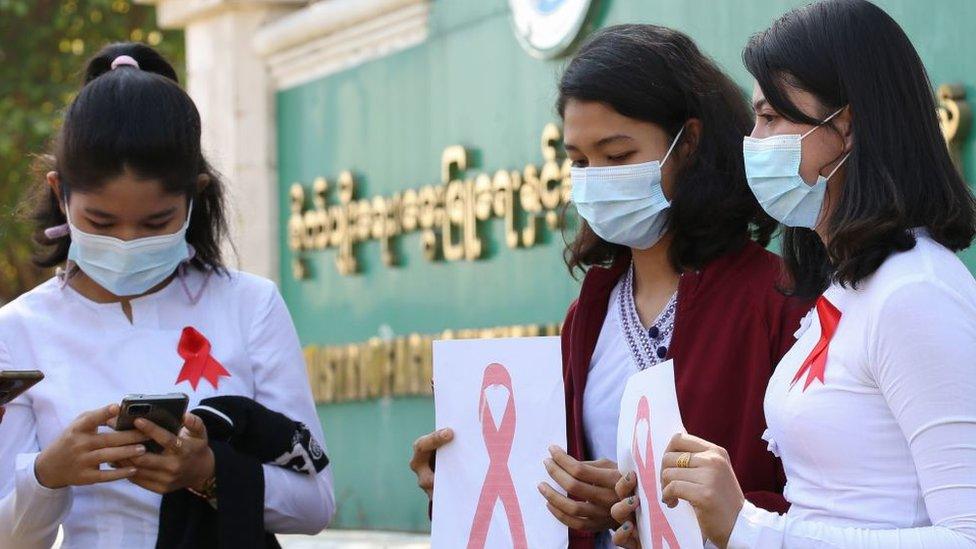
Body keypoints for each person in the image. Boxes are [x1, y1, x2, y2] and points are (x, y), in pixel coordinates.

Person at [409, 24, 810, 548]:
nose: (595, 177)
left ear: (687, 143)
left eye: (617, 156)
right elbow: (553, 501)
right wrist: (463, 479)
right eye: (578, 161)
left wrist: (644, 503)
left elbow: (823, 505)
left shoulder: (777, 299)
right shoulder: (588, 315)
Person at [611, 1, 976, 547]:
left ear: (846, 127)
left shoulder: (915, 292)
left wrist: (752, 530)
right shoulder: (851, 287)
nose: (754, 143)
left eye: (772, 117)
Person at [0, 43, 335, 548]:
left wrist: (207, 473)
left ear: (194, 197)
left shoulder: (249, 306)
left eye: (156, 222)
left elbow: (315, 503)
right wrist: (48, 473)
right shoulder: (19, 329)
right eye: (101, 222)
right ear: (60, 193)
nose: (128, 241)